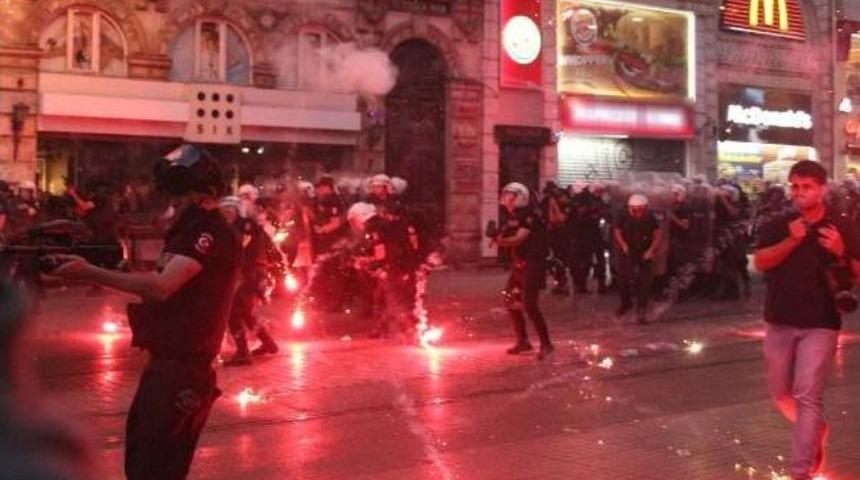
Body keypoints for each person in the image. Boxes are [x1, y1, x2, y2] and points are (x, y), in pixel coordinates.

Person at [51, 144, 241, 480]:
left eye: (179, 198)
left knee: (154, 471)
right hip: (166, 368)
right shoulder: (190, 229)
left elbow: (160, 286)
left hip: (183, 373)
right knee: (143, 465)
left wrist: (88, 272)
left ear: (200, 194)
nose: (174, 205)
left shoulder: (208, 231)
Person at [753, 160, 860, 480]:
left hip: (821, 321)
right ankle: (816, 429)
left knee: (807, 395)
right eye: (795, 187)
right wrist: (792, 240)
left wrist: (841, 251)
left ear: (822, 189)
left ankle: (801, 471)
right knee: (780, 394)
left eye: (807, 187)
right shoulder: (777, 223)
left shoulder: (842, 225)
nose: (799, 193)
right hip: (779, 318)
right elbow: (760, 262)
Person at [494, 182, 554, 360]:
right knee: (509, 299)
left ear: (521, 197)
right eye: (506, 195)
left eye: (511, 196)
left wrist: (500, 242)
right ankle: (523, 341)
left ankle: (546, 344)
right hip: (519, 263)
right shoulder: (513, 215)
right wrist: (497, 234)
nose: (507, 199)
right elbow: (508, 233)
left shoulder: (530, 214)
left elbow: (519, 238)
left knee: (529, 305)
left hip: (533, 263)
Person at [219, 196, 279, 367]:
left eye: (230, 210)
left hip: (248, 273)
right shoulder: (238, 226)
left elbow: (239, 248)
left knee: (233, 313)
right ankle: (268, 343)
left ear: (237, 210)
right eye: (223, 211)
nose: (226, 214)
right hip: (251, 272)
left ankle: (243, 353)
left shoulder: (245, 226)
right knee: (245, 312)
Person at [347, 201, 418, 340]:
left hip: (394, 268)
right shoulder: (383, 224)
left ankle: (410, 331)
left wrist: (369, 262)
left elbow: (382, 253)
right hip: (400, 266)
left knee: (394, 301)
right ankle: (381, 328)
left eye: (354, 220)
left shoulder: (375, 228)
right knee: (381, 297)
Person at [613, 193, 662, 324]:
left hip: (644, 251)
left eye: (642, 209)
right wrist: (623, 245)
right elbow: (617, 232)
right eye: (636, 210)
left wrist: (651, 250)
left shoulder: (650, 217)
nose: (639, 213)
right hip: (628, 250)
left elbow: (657, 235)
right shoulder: (622, 215)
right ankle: (625, 303)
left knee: (644, 281)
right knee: (624, 279)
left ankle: (641, 310)